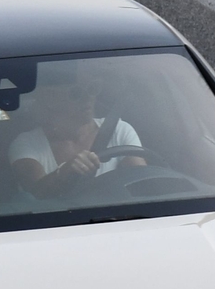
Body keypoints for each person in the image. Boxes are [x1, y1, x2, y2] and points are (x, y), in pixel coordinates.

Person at [10, 74, 143, 198]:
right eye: (76, 93)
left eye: (92, 88)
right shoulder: (27, 143)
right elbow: (35, 192)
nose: (88, 97)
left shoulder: (119, 130)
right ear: (51, 100)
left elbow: (141, 182)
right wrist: (63, 173)